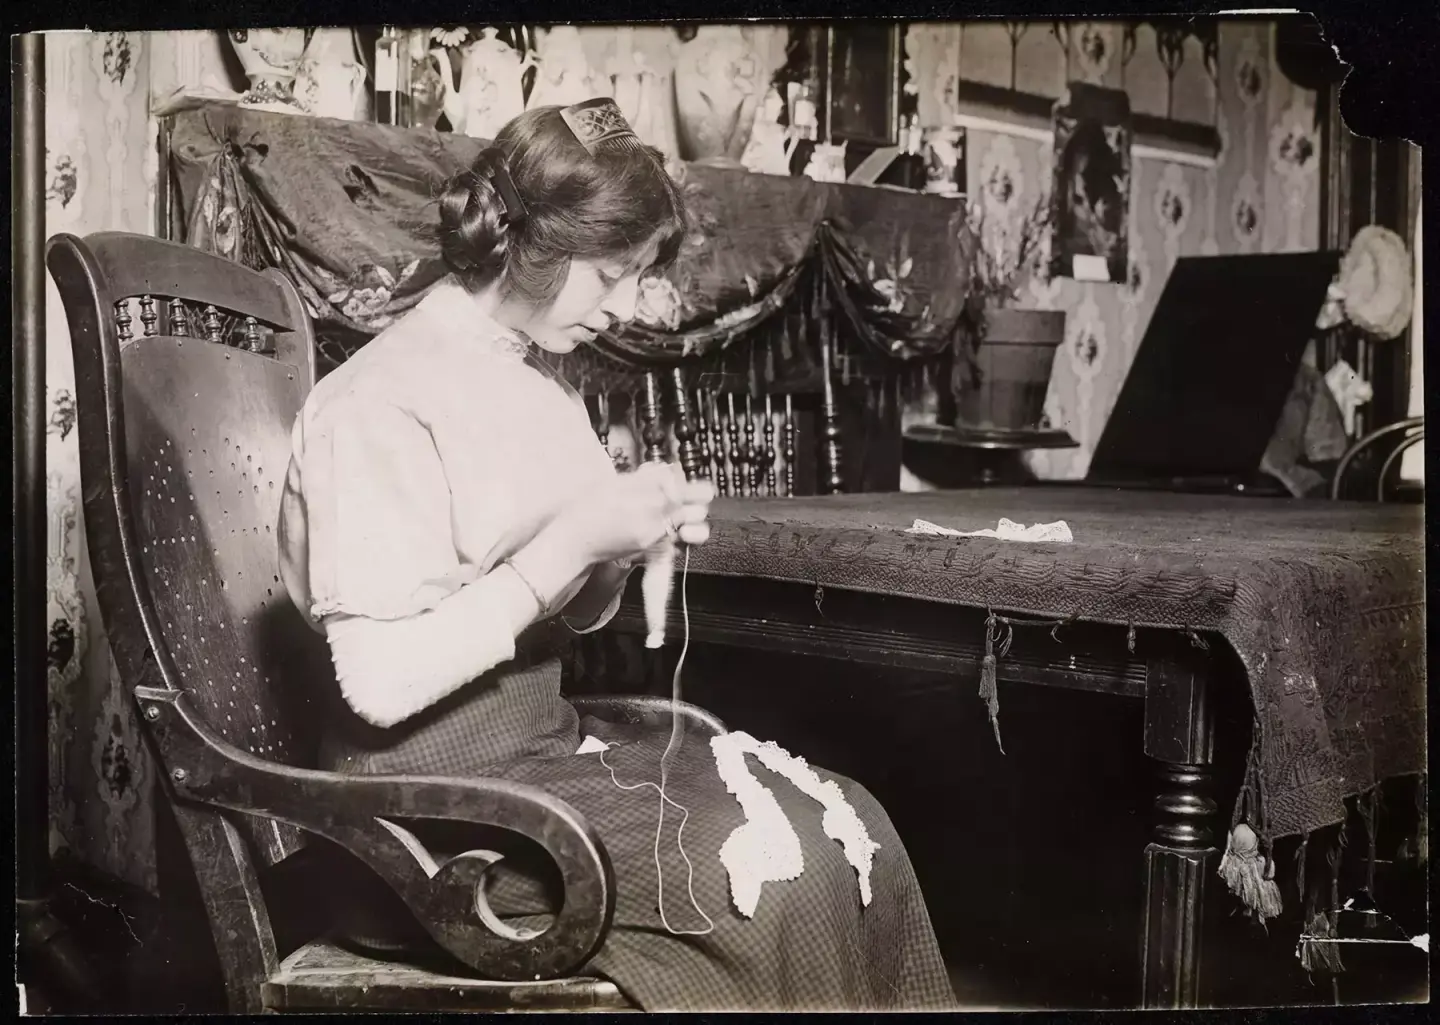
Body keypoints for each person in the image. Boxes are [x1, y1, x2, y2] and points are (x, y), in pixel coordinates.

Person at [277, 97, 955, 1012]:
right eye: (613, 273)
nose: (631, 307)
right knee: (765, 882)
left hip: (532, 756)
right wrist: (569, 540)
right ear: (533, 246)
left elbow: (577, 608)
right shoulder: (375, 402)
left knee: (852, 827)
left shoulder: (534, 385)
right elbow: (377, 684)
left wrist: (627, 543)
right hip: (423, 820)